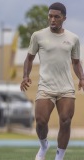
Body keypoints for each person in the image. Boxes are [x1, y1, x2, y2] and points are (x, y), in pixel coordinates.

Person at [20, 2, 84, 160]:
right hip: (45, 87)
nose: (52, 19)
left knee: (66, 121)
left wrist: (82, 77)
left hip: (66, 87)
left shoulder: (73, 38)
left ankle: (59, 157)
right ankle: (43, 145)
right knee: (40, 121)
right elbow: (29, 59)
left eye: (56, 16)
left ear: (64, 18)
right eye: (50, 16)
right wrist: (25, 76)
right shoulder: (38, 36)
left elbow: (76, 62)